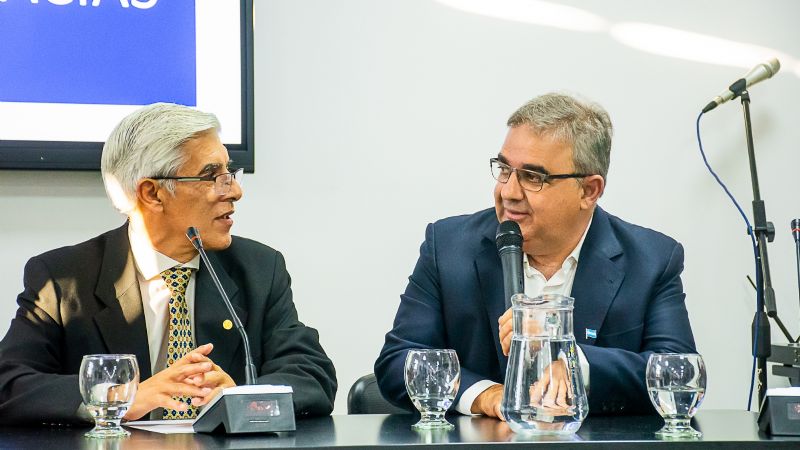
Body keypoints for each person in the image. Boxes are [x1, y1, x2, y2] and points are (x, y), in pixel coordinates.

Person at [0, 103, 337, 424]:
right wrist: (123, 396)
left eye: (230, 172)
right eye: (212, 176)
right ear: (153, 193)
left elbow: (312, 375)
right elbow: (9, 384)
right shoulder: (64, 280)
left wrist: (243, 398)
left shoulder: (259, 268)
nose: (234, 191)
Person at [375, 93, 696, 417]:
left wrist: (572, 359)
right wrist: (485, 396)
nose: (509, 192)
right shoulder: (448, 247)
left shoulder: (652, 260)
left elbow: (677, 374)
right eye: (504, 169)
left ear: (589, 190)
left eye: (532, 177)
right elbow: (398, 361)